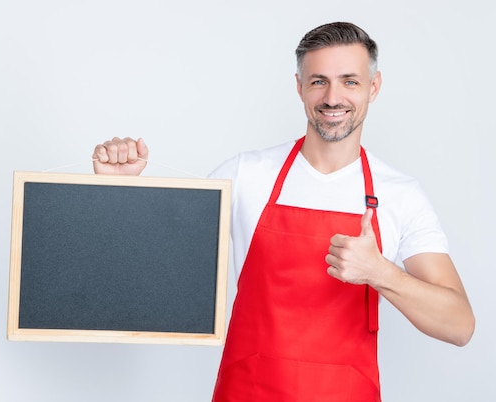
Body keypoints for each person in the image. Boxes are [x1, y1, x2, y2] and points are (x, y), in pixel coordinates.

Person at [91, 22, 475, 401]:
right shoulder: (245, 175)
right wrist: (119, 190)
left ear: (373, 87)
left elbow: (459, 325)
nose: (333, 97)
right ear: (299, 87)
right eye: (319, 80)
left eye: (350, 81)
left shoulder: (400, 195)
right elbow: (150, 269)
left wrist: (380, 272)